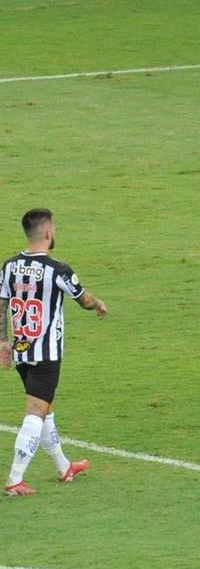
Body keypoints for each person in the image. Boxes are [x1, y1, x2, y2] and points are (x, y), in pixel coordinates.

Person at [1, 208, 107, 496]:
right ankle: (14, 479)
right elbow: (83, 300)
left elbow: (1, 303)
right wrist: (98, 303)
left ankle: (64, 467)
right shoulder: (57, 270)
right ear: (48, 233)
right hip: (46, 354)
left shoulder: (9, 266)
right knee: (36, 412)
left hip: (22, 350)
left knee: (46, 409)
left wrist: (3, 341)